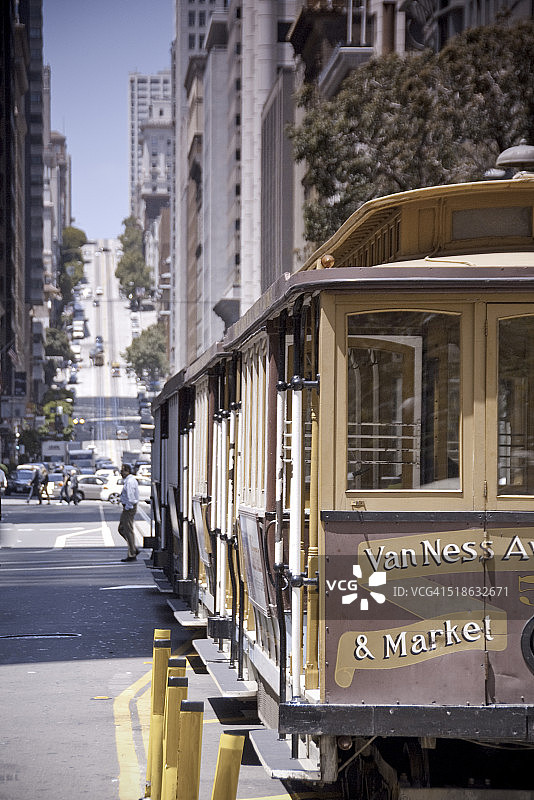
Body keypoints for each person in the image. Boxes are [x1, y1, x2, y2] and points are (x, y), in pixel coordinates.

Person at [118, 463, 140, 562]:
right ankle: (133, 548)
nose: (121, 473)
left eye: (122, 471)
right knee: (121, 528)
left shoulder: (130, 481)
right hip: (127, 507)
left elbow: (131, 496)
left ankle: (132, 553)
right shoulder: (128, 480)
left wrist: (128, 506)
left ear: (127, 471)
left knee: (128, 530)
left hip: (129, 507)